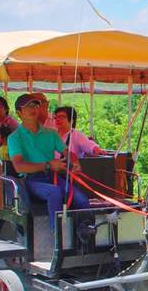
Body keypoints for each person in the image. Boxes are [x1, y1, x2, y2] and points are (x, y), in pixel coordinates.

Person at [7, 94, 89, 223]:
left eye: (36, 105)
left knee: (82, 200)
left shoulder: (51, 133)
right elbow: (19, 166)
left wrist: (75, 162)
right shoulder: (14, 138)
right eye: (28, 106)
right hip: (30, 180)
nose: (33, 109)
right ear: (19, 113)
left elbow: (67, 152)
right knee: (54, 192)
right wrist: (48, 165)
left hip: (52, 177)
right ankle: (57, 233)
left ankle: (84, 232)